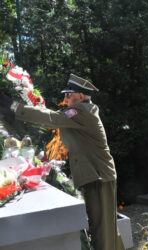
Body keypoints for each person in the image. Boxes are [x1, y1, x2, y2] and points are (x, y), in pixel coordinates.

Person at [0, 74, 125, 250]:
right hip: (96, 174)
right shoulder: (81, 111)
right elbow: (53, 119)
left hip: (99, 176)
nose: (64, 99)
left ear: (81, 96)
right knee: (105, 226)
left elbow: (52, 118)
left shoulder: (82, 111)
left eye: (68, 94)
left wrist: (14, 106)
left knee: (101, 228)